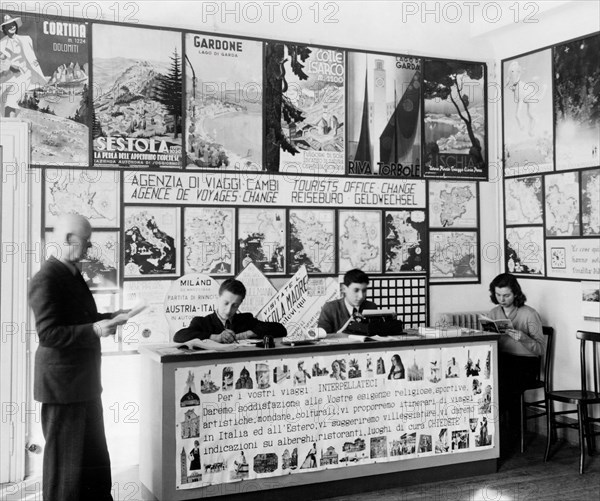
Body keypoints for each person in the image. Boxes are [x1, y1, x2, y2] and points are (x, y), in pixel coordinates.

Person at [28, 214, 130, 501]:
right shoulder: (46, 278)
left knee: (94, 462)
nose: (88, 248)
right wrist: (96, 328)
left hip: (83, 385)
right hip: (63, 390)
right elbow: (49, 334)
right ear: (69, 240)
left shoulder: (71, 274)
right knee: (66, 471)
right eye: (86, 241)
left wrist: (113, 317)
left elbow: (81, 319)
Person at [487, 273, 545, 448]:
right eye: (498, 295)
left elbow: (540, 348)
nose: (502, 299)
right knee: (487, 386)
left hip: (525, 363)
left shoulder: (529, 313)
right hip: (503, 360)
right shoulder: (494, 312)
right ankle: (495, 435)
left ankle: (504, 438)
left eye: (506, 295)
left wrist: (523, 338)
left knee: (505, 389)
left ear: (516, 294)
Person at [174, 278, 287, 343]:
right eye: (226, 303)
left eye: (235, 305)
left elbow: (280, 329)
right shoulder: (202, 322)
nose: (228, 311)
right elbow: (179, 336)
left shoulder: (246, 320)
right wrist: (215, 337)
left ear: (240, 304)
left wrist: (245, 335)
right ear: (217, 298)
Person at [0, 14, 47, 117]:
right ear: (4, 29)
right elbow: (2, 59)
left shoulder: (25, 39)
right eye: (8, 26)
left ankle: (11, 123)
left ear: (16, 26)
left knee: (11, 98)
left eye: (13, 25)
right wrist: (10, 65)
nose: (12, 27)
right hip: (8, 74)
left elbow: (31, 58)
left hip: (24, 74)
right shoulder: (2, 43)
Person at [317, 269, 378, 333]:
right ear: (344, 288)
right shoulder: (329, 308)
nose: (361, 296)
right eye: (356, 290)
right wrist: (340, 333)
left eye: (364, 290)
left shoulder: (371, 307)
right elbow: (322, 338)